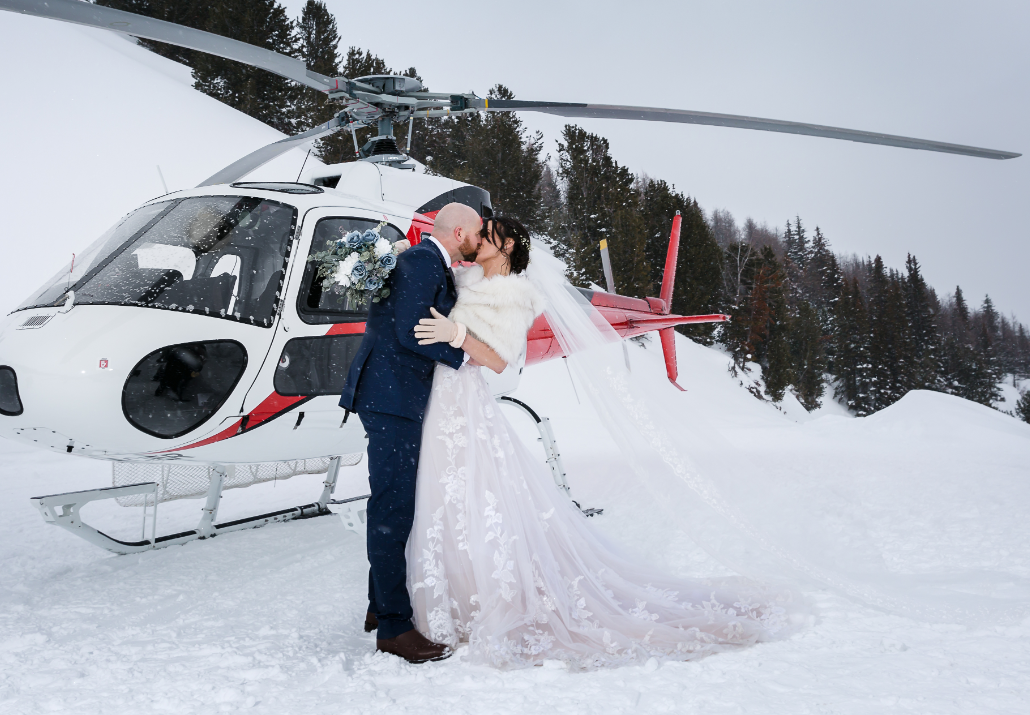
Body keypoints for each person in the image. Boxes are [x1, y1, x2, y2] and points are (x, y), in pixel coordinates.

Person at [406, 217, 796, 669]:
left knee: (479, 496)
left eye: (487, 232)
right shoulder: (466, 275)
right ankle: (453, 591)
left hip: (466, 397)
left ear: (507, 244)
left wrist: (457, 336)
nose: (476, 237)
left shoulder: (516, 294)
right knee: (447, 495)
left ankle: (490, 598)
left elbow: (498, 360)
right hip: (440, 394)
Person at [339, 202, 501, 663]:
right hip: (390, 400)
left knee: (397, 503)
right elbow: (413, 331)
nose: (478, 239)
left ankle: (378, 604)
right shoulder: (421, 261)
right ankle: (394, 626)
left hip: (394, 397)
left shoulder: (427, 261)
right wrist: (464, 357)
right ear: (460, 231)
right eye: (476, 232)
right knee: (392, 507)